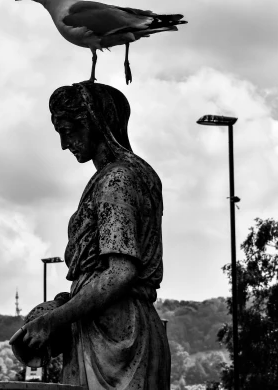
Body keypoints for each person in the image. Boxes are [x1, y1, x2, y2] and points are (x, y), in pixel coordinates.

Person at [10, 81, 170, 389]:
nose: (63, 143)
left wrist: (55, 320)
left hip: (115, 341)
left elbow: (120, 272)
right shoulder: (133, 174)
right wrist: (62, 304)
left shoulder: (116, 180)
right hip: (112, 329)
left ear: (94, 123)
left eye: (68, 130)